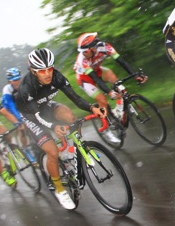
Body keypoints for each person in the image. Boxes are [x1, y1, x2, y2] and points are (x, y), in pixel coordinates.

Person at [15, 48, 107, 210]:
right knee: (52, 151)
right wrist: (53, 126)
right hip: (31, 116)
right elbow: (37, 117)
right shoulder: (26, 88)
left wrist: (93, 108)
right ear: (33, 71)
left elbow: (76, 98)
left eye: (49, 68)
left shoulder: (57, 77)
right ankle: (59, 189)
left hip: (45, 107)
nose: (47, 74)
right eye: (42, 70)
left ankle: (76, 151)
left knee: (70, 116)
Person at [73, 32, 147, 140]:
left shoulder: (105, 47)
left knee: (114, 79)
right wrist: (109, 92)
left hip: (97, 71)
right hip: (85, 79)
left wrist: (135, 75)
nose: (83, 54)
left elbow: (121, 61)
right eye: (82, 52)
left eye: (85, 51)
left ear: (93, 48)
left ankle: (121, 107)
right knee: (103, 100)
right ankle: (106, 128)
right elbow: (95, 79)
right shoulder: (82, 60)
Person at [1, 67, 31, 157]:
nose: (18, 81)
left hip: (21, 105)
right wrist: (20, 119)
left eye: (19, 78)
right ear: (10, 82)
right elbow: (11, 106)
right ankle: (25, 148)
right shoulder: (7, 89)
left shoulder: (25, 84)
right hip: (10, 109)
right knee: (22, 127)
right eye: (15, 80)